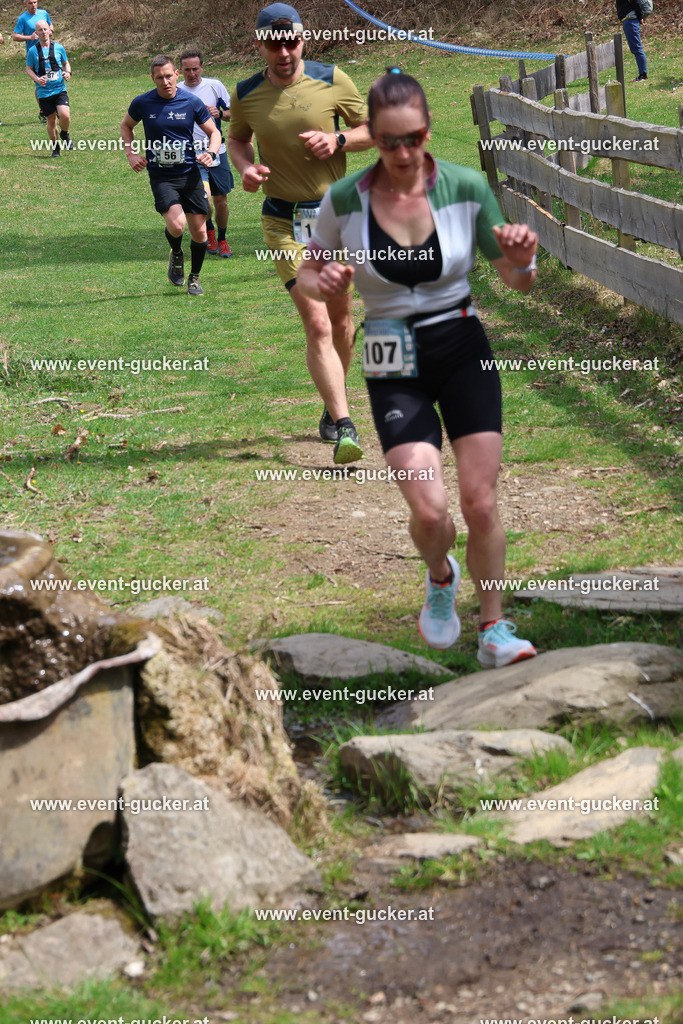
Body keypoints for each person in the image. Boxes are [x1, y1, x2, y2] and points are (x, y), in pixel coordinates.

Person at [297, 69, 540, 666]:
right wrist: (321, 279)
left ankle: (493, 628)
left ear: (428, 131)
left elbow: (514, 278)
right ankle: (439, 576)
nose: (404, 154)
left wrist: (522, 263)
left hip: (459, 342)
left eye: (414, 138)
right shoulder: (344, 199)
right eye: (389, 142)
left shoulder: (463, 187)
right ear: (370, 138)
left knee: (480, 501)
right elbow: (309, 269)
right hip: (391, 351)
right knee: (430, 510)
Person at [228, 3, 374, 465]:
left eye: (291, 41)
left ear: (302, 40)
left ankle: (334, 406)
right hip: (283, 222)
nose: (284, 52)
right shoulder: (247, 91)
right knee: (314, 321)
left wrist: (340, 140)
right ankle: (345, 423)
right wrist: (247, 168)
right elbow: (237, 138)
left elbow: (373, 128)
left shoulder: (332, 79)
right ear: (259, 45)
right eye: (274, 44)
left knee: (341, 320)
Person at [120, 55, 222, 297]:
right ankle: (176, 253)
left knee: (199, 232)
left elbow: (214, 133)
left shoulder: (191, 102)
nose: (165, 81)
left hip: (189, 173)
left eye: (168, 76)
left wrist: (210, 152)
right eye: (159, 77)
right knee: (177, 226)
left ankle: (194, 277)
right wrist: (131, 154)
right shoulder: (143, 102)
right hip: (161, 175)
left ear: (176, 74)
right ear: (152, 78)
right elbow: (126, 126)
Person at [179, 48, 234, 259]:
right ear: (179, 71)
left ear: (202, 67)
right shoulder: (175, 90)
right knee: (205, 199)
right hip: (191, 155)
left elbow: (233, 114)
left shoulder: (215, 86)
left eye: (195, 69)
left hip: (216, 151)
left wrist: (219, 113)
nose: (192, 74)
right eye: (187, 70)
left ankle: (222, 239)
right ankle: (209, 233)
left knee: (221, 201)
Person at [25, 19, 71, 157]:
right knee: (51, 120)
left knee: (65, 115)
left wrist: (67, 72)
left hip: (59, 88)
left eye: (45, 29)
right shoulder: (33, 51)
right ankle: (55, 148)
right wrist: (37, 79)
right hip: (44, 92)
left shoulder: (59, 47)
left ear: (50, 31)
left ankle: (64, 134)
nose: (43, 32)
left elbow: (66, 63)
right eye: (40, 30)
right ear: (36, 33)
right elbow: (28, 69)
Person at [12, 0, 53, 121]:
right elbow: (15, 36)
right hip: (35, 55)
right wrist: (29, 37)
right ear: (25, 4)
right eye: (30, 3)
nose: (33, 5)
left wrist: (50, 30)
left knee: (52, 79)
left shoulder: (43, 13)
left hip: (48, 51)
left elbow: (50, 25)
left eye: (35, 2)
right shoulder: (23, 18)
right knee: (40, 82)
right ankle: (44, 109)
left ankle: (52, 108)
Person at [616, 0, 649, 82]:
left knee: (637, 49)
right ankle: (643, 74)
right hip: (629, 20)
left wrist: (640, 17)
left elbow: (635, 3)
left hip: (630, 21)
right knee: (636, 49)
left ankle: (643, 75)